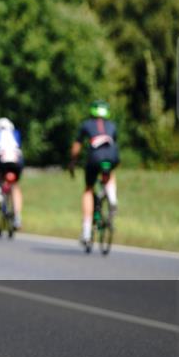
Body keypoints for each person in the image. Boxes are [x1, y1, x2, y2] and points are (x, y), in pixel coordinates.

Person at [69, 100, 120, 250]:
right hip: (112, 156)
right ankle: (112, 196)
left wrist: (72, 162)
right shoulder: (112, 126)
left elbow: (76, 147)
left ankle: (86, 231)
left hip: (94, 157)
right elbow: (114, 145)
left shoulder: (86, 124)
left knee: (88, 189)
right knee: (110, 172)